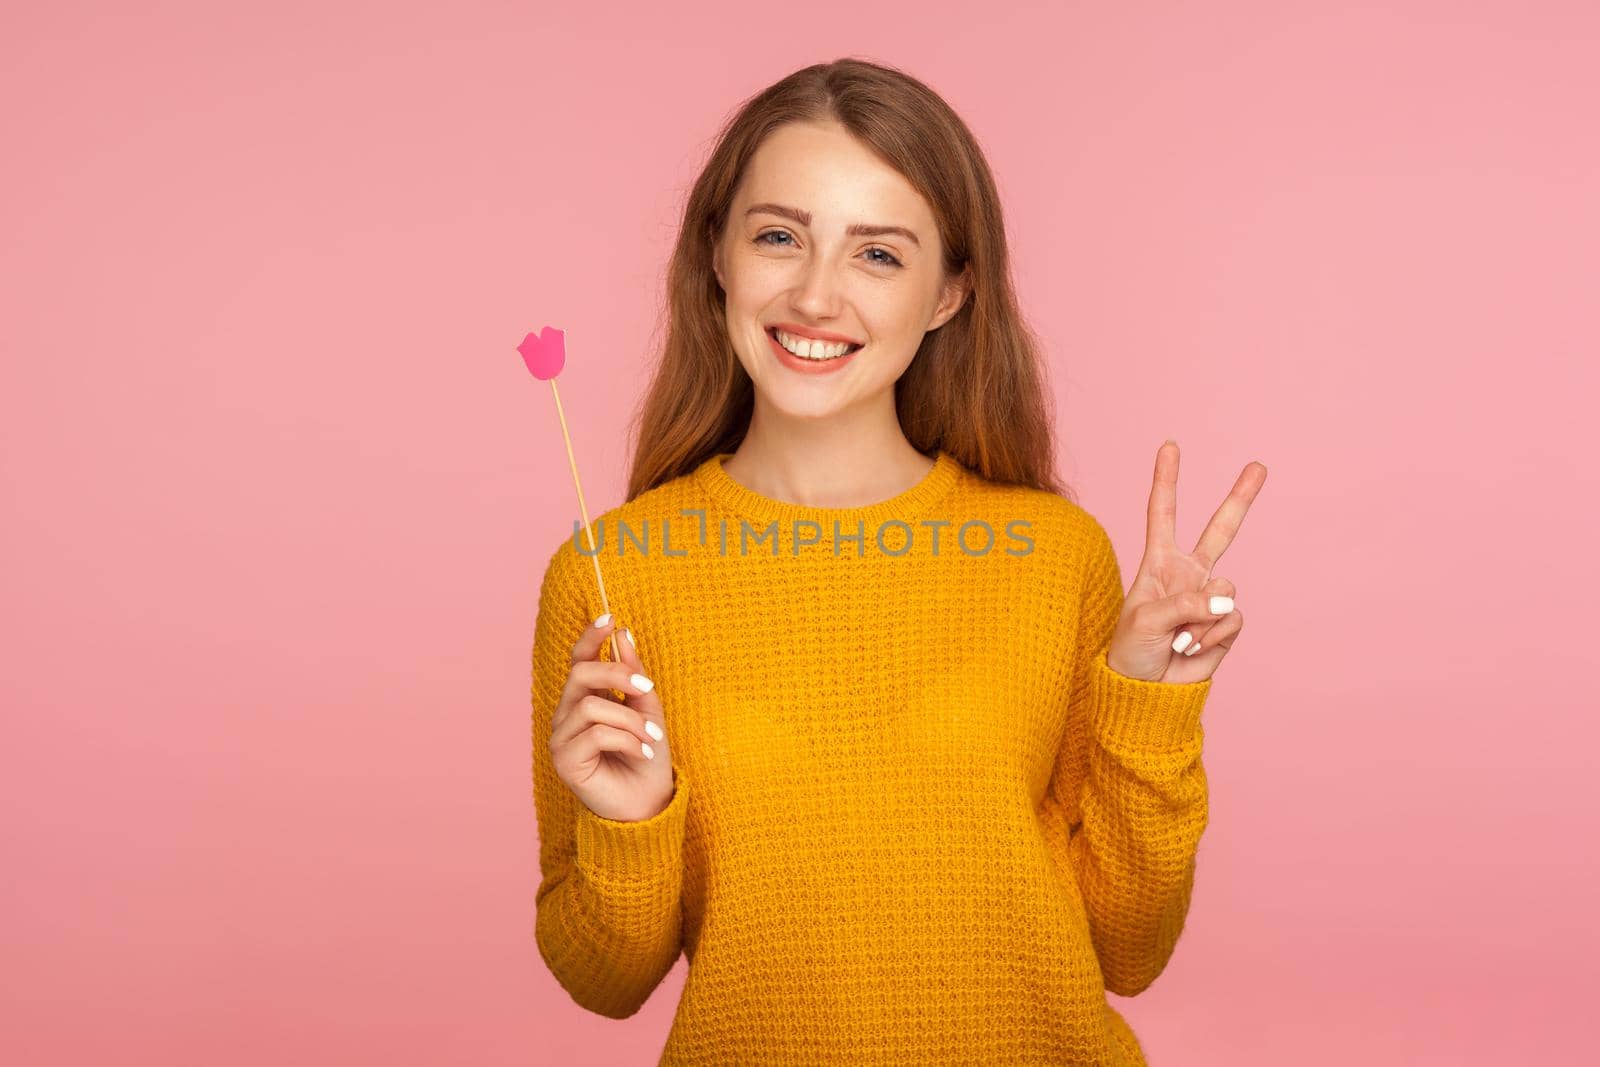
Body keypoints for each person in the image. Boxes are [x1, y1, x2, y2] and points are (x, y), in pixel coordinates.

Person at [530, 57, 1264, 1065]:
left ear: (950, 291)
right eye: (779, 236)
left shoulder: (1055, 556)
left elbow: (1128, 951)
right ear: (717, 255)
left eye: (877, 254)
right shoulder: (611, 573)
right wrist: (629, 818)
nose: (816, 294)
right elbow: (602, 981)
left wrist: (1147, 701)